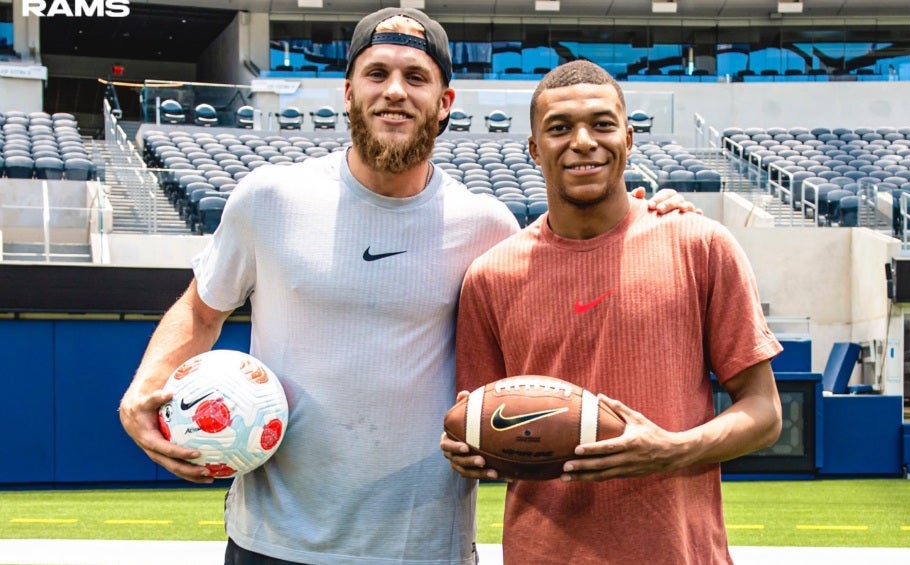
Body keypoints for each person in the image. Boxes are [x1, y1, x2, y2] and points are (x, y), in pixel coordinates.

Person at [118, 9, 694, 565]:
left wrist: (645, 217)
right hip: (274, 541)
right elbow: (201, 310)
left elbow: (571, 264)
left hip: (424, 547)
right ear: (348, 93)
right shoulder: (268, 198)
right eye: (377, 73)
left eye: (416, 77)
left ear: (444, 104)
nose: (395, 91)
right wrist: (143, 388)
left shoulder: (487, 226)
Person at [442, 60, 783, 565]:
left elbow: (765, 414)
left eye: (601, 124)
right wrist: (468, 452)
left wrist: (673, 448)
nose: (582, 141)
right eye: (559, 128)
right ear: (535, 148)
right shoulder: (491, 277)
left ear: (628, 137)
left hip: (679, 553)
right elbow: (483, 429)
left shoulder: (700, 244)